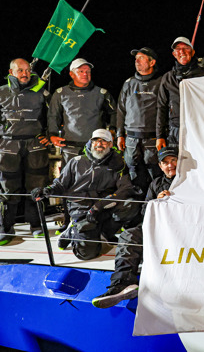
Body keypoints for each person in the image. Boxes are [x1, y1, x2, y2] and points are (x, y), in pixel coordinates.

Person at [31, 129, 138, 261]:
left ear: (111, 144)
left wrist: (100, 205)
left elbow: (125, 188)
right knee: (86, 254)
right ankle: (72, 231)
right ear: (91, 142)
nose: (100, 144)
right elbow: (60, 185)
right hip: (81, 208)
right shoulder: (76, 161)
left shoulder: (118, 164)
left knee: (131, 204)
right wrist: (46, 191)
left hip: (104, 205)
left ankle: (106, 231)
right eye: (96, 140)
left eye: (104, 141)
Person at [91, 146, 178, 308]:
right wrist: (156, 202)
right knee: (129, 235)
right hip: (159, 229)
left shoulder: (191, 182)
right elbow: (145, 211)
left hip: (182, 232)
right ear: (160, 166)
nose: (170, 165)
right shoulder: (156, 183)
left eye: (173, 160)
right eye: (165, 162)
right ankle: (123, 284)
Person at [0, 59, 50, 243]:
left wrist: (49, 134)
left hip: (35, 145)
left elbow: (52, 114)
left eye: (27, 70)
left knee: (36, 188)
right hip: (8, 146)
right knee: (8, 188)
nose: (25, 73)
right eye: (20, 70)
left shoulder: (40, 91)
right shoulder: (2, 92)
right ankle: (6, 227)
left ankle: (36, 225)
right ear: (11, 72)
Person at [48, 58, 117, 164]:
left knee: (95, 177)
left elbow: (114, 113)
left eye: (88, 72)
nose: (85, 74)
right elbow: (53, 116)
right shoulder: (60, 93)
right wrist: (52, 134)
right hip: (70, 146)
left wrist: (112, 130)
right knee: (70, 177)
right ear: (72, 74)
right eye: (81, 71)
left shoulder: (102, 93)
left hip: (96, 146)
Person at [116, 47, 163, 192]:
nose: (137, 61)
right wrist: (119, 135)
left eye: (141, 58)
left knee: (155, 173)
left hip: (152, 139)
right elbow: (120, 110)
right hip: (131, 140)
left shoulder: (161, 82)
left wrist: (161, 136)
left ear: (152, 62)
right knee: (133, 174)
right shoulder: (128, 83)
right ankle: (136, 208)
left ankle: (156, 203)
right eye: (136, 58)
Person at [156, 37, 204, 150]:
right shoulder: (168, 78)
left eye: (186, 48)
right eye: (178, 49)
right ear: (174, 54)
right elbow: (161, 107)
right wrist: (159, 136)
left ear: (193, 51)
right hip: (176, 131)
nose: (182, 52)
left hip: (201, 128)